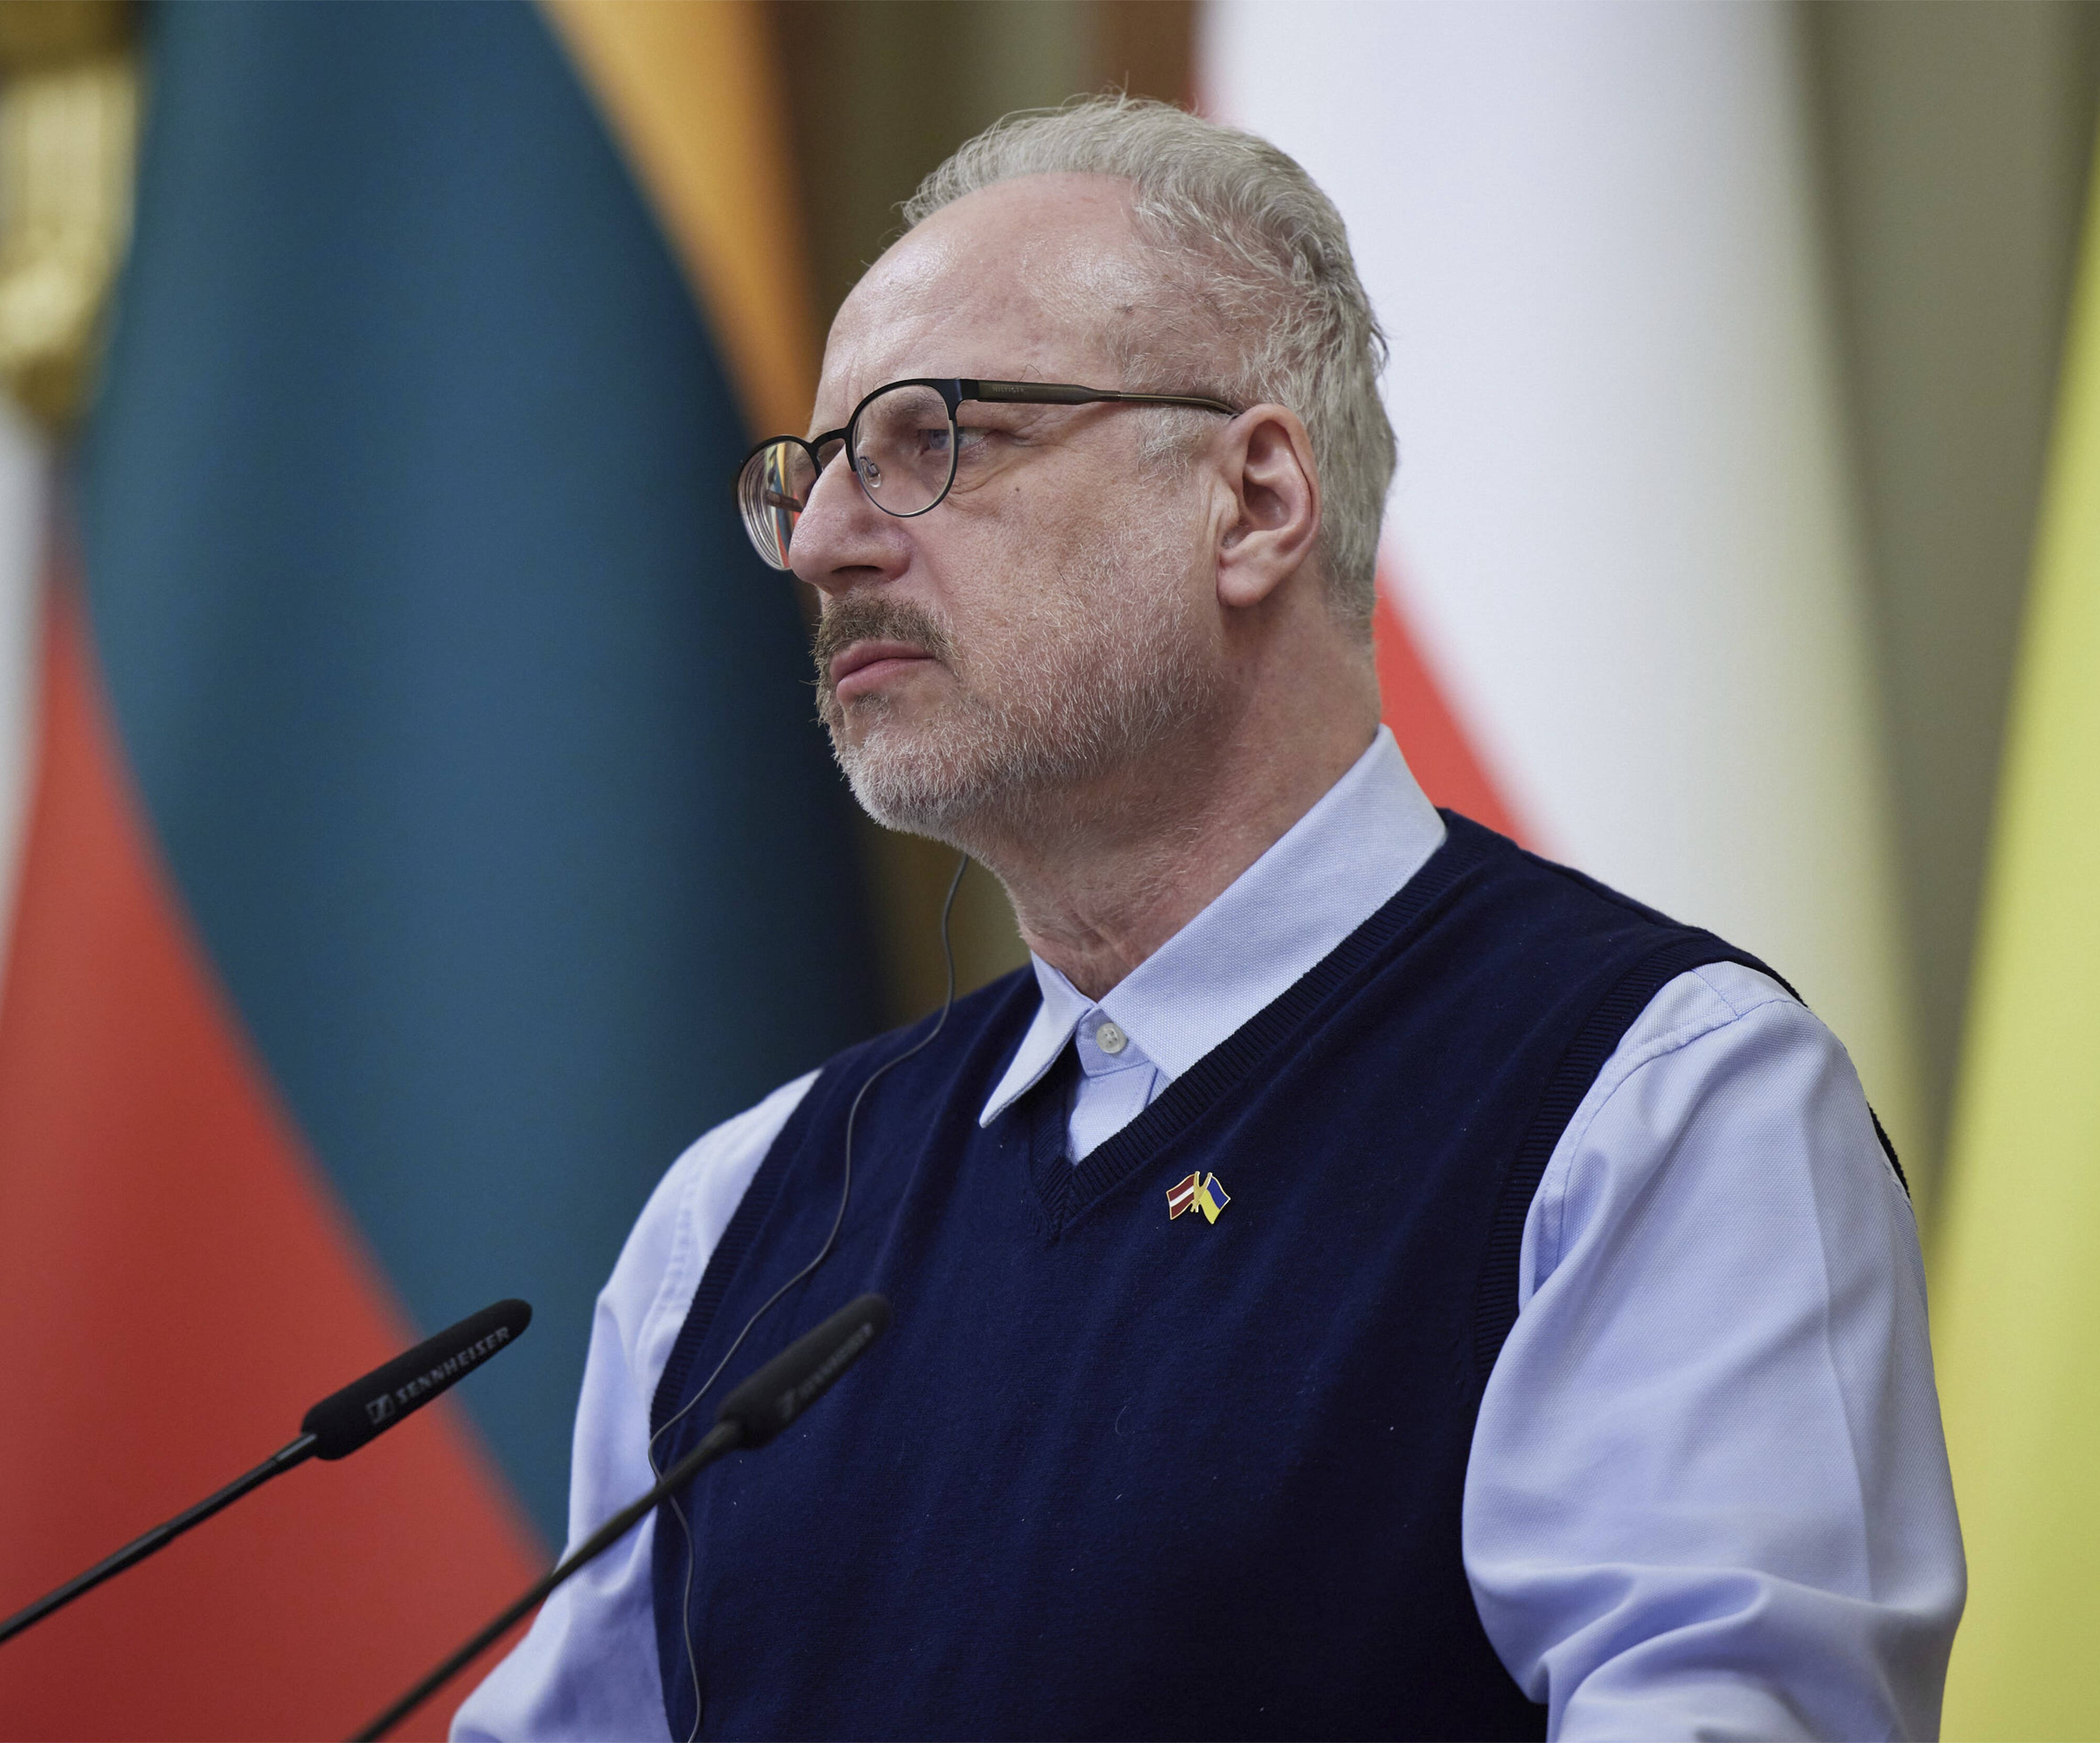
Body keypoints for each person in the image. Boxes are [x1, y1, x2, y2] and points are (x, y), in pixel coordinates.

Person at [458, 98, 1962, 1742]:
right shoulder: (736, 1216)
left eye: (934, 440)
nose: (821, 543)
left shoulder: (1652, 1108)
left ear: (1250, 501)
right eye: (809, 476)